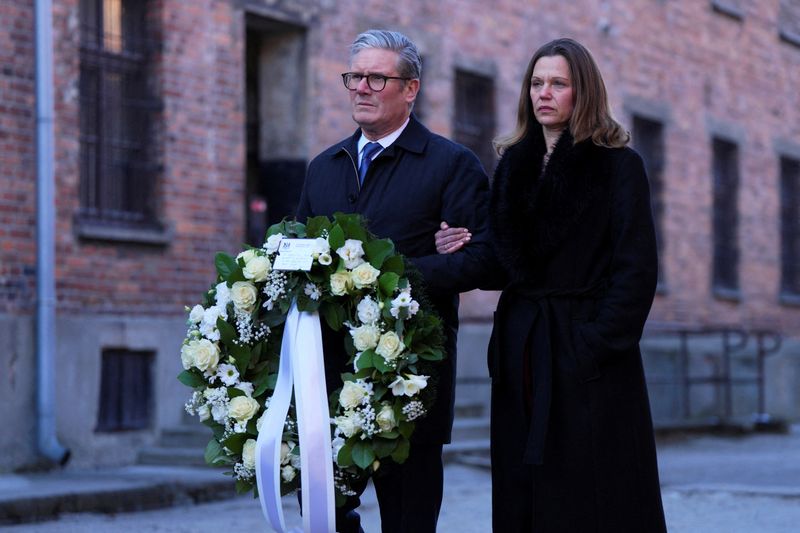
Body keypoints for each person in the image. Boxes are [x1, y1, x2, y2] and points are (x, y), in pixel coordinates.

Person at [435, 38, 667, 532]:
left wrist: (593, 344)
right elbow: (508, 266)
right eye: (537, 83)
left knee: (595, 491)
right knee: (525, 489)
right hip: (523, 349)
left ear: (582, 91)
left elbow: (636, 269)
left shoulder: (617, 165)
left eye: (558, 83)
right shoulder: (512, 165)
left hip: (588, 355)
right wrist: (464, 244)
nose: (545, 93)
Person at [296, 29, 490, 533]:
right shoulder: (324, 168)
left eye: (376, 78)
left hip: (411, 379)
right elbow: (296, 257)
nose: (361, 87)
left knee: (408, 519)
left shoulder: (452, 166)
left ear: (410, 89)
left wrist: (384, 276)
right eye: (354, 76)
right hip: (331, 376)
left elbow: (480, 264)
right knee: (321, 510)